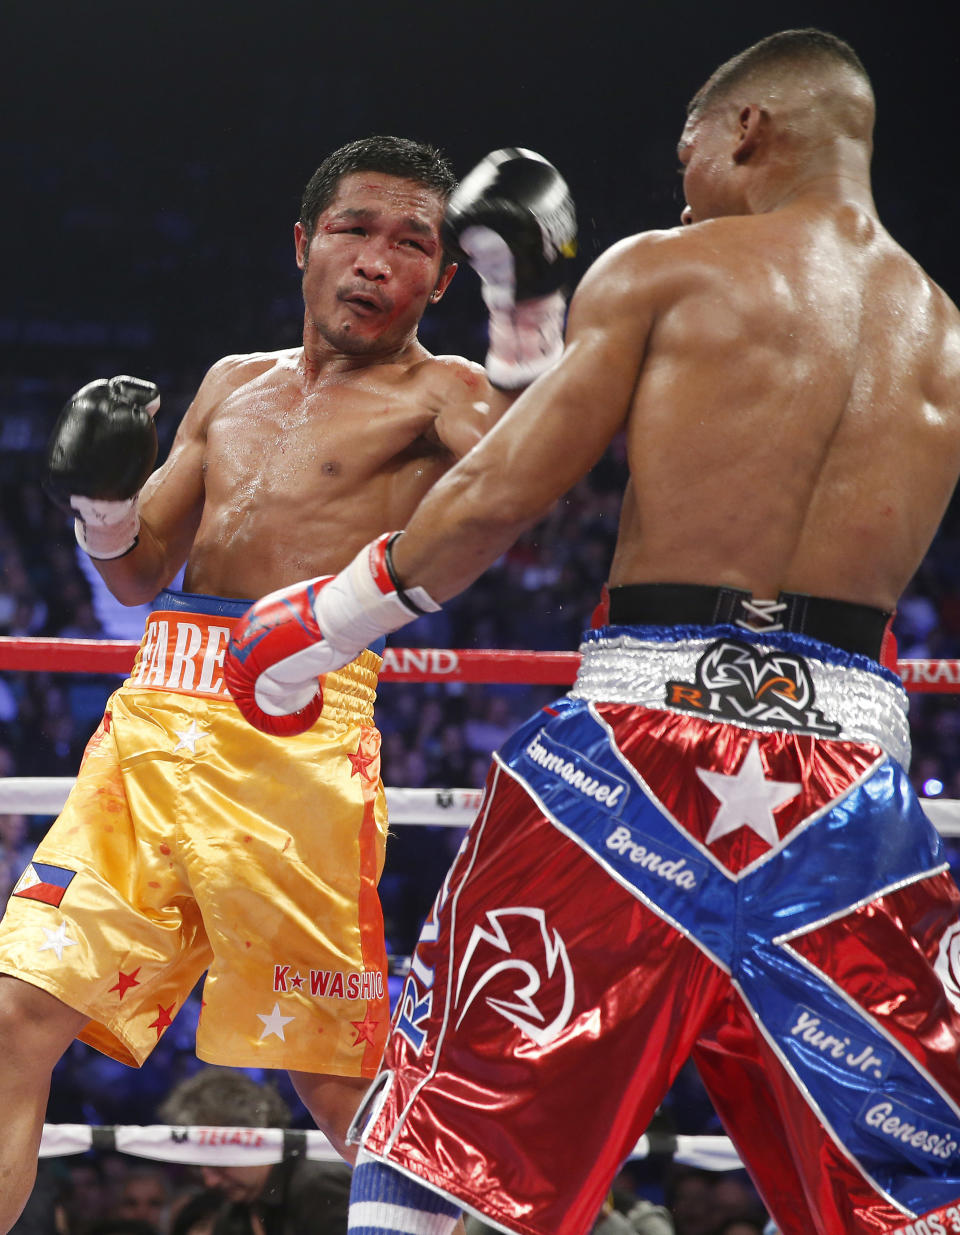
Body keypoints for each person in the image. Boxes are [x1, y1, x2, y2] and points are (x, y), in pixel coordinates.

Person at [224, 28, 960, 1235]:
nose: (683, 190)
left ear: (748, 131)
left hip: (637, 768)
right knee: (912, 1186)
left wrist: (319, 619)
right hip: (853, 796)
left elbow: (505, 490)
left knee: (440, 1128)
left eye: (689, 158)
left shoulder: (671, 267)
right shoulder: (944, 330)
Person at [0, 134, 576, 1233]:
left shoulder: (444, 390)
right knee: (14, 1020)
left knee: (339, 1080)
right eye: (356, 230)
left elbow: (529, 472)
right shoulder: (231, 382)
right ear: (306, 244)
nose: (377, 261)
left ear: (443, 279)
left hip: (291, 734)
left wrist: (525, 323)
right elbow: (138, 567)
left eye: (414, 243)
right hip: (149, 724)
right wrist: (103, 505)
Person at [157, 1067, 350, 1235]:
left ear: (251, 1135)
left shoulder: (317, 1184)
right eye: (200, 1167)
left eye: (217, 1162)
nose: (210, 1181)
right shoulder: (234, 1213)